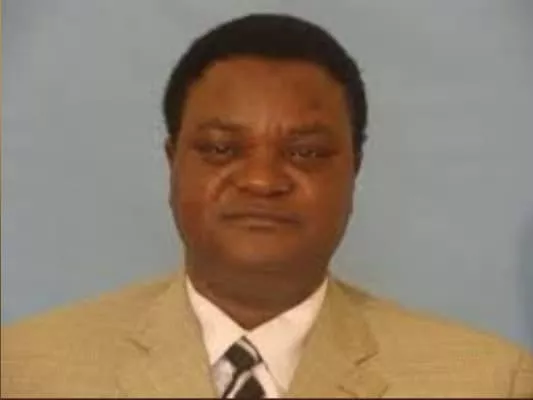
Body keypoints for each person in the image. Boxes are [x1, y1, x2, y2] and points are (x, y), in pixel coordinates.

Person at [1, 13, 532, 398]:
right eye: (220, 149)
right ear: (172, 162)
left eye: (306, 153)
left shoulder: (489, 382)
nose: (261, 180)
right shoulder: (23, 372)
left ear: (354, 169)